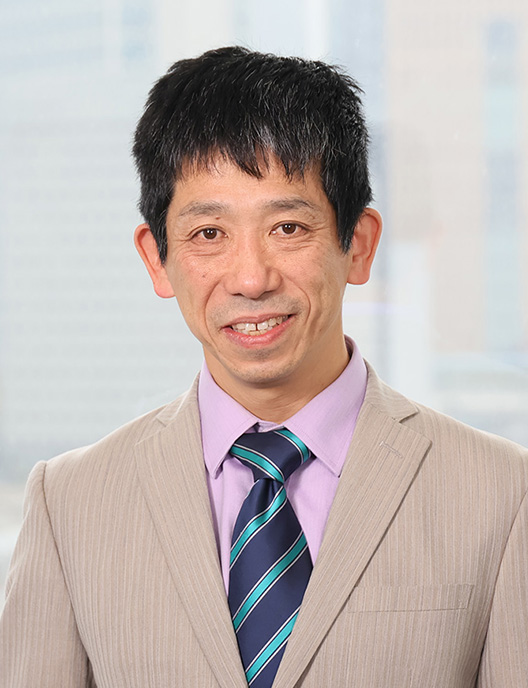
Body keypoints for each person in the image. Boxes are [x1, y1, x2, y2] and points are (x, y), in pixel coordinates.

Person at [1, 46, 527, 688]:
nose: (251, 278)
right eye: (208, 234)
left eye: (288, 228)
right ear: (157, 258)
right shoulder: (69, 504)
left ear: (358, 245)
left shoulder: (503, 494)